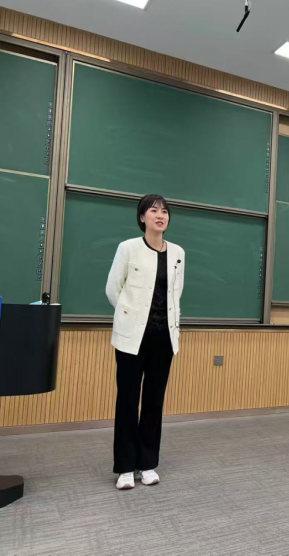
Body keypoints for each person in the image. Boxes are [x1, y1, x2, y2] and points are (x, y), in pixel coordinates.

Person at [106, 195, 185, 490]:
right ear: (142, 217)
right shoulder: (128, 248)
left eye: (164, 211)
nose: (160, 215)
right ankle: (126, 467)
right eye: (153, 210)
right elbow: (113, 289)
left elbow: (176, 293)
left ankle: (147, 463)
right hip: (132, 338)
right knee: (127, 400)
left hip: (164, 338)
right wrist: (131, 317)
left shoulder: (178, 253)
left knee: (154, 401)